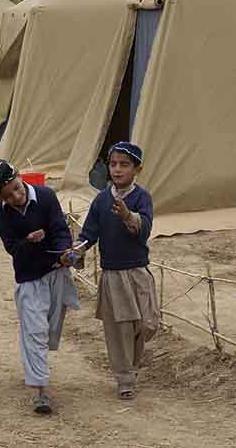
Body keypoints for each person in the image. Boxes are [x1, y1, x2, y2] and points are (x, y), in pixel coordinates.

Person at [0, 159, 79, 415]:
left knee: (49, 328)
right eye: (8, 196)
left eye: (17, 187)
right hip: (29, 278)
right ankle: (40, 391)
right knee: (34, 331)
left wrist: (65, 253)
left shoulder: (46, 196)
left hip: (56, 272)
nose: (17, 195)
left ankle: (35, 366)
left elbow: (60, 229)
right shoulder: (3, 214)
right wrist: (28, 240)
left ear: (20, 177)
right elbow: (12, 249)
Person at [74, 142, 158, 400]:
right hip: (113, 275)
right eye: (113, 164)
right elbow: (89, 233)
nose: (117, 170)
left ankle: (130, 366)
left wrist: (127, 215)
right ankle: (124, 378)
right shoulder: (101, 200)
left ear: (137, 169)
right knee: (119, 328)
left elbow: (144, 229)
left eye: (124, 165)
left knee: (146, 324)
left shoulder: (141, 197)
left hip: (138, 272)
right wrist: (78, 250)